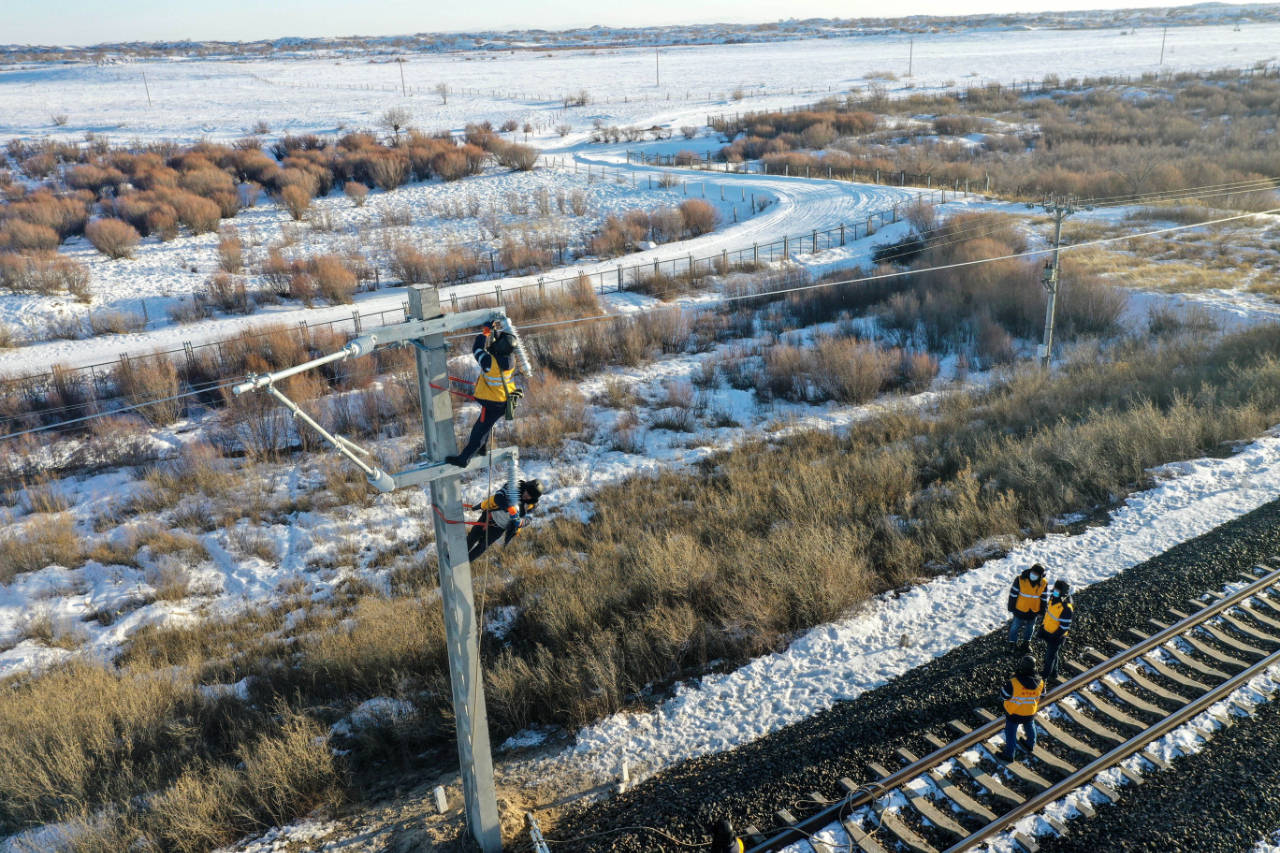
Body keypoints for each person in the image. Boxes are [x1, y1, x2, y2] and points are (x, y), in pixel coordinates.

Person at [446, 322, 523, 469]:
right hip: (500, 400)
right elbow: (495, 350)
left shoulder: (489, 362)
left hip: (493, 402)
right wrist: (493, 335)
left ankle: (464, 459)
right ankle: (481, 449)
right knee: (485, 425)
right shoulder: (510, 360)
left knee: (478, 431)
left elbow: (477, 349)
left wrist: (485, 333)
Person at [466, 479, 542, 561]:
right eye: (528, 492)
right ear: (526, 486)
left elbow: (528, 519)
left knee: (482, 547)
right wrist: (509, 508)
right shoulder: (514, 487)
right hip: (489, 517)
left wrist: (520, 522)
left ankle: (463, 564)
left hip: (498, 529)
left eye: (531, 495)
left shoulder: (530, 505)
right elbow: (498, 497)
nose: (528, 495)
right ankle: (453, 557)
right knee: (472, 537)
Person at [1000, 654, 1044, 761]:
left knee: (1010, 733)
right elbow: (1042, 695)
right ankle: (1030, 744)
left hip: (1014, 713)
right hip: (1030, 712)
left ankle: (1009, 754)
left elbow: (1004, 696)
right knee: (1030, 726)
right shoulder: (1040, 682)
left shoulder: (1013, 682)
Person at [1006, 563, 1048, 653]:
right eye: (1033, 572)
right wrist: (1011, 606)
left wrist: (1042, 610)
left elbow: (1043, 597)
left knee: (1030, 627)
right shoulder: (1020, 579)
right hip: (1020, 608)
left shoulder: (1043, 583)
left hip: (1033, 610)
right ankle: (1012, 644)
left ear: (1040, 576)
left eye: (1036, 574)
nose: (1033, 575)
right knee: (1015, 626)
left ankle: (1026, 643)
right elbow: (1013, 594)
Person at [1038, 579, 1074, 681]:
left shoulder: (1066, 608)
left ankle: (1045, 676)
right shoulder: (1052, 599)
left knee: (1049, 657)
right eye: (1055, 589)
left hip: (1056, 637)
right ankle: (1054, 673)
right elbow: (1048, 615)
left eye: (1057, 590)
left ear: (1063, 593)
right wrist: (1042, 628)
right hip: (1048, 632)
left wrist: (1053, 637)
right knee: (1053, 654)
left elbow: (1064, 627)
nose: (1054, 591)